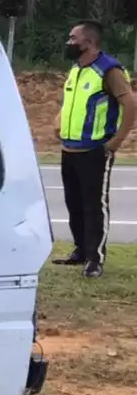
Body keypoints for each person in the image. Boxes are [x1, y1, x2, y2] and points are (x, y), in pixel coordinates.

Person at [54, 20, 136, 278]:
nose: (69, 42)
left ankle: (94, 259)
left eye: (73, 38)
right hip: (70, 150)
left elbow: (130, 105)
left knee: (94, 206)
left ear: (88, 42)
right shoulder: (76, 69)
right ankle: (80, 250)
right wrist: (58, 122)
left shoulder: (108, 70)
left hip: (95, 151)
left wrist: (115, 142)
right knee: (73, 203)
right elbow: (70, 103)